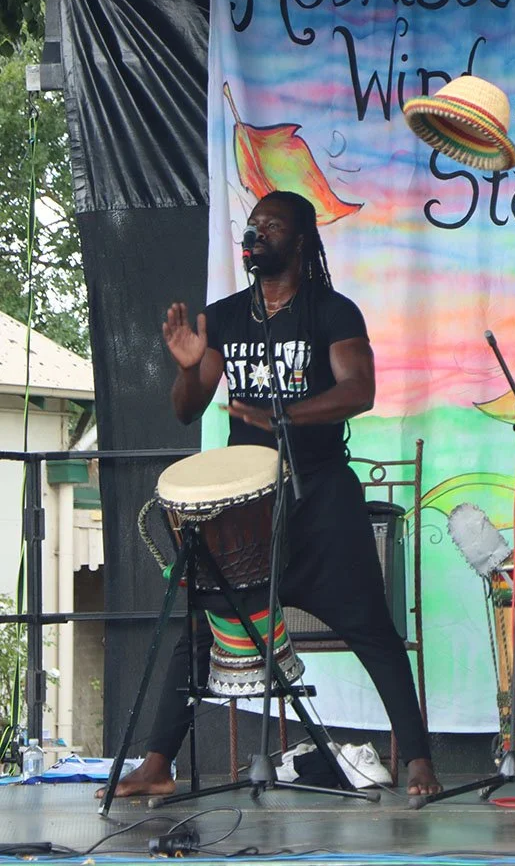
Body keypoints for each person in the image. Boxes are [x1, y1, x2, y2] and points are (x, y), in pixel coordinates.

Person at [102, 191, 440, 798]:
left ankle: (418, 761)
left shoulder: (332, 312)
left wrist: (284, 416)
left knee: (373, 629)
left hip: (321, 498)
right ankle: (156, 765)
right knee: (201, 627)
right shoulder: (225, 317)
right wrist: (188, 368)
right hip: (250, 511)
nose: (257, 233)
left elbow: (358, 390)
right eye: (253, 224)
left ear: (301, 240)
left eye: (272, 225)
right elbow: (186, 410)